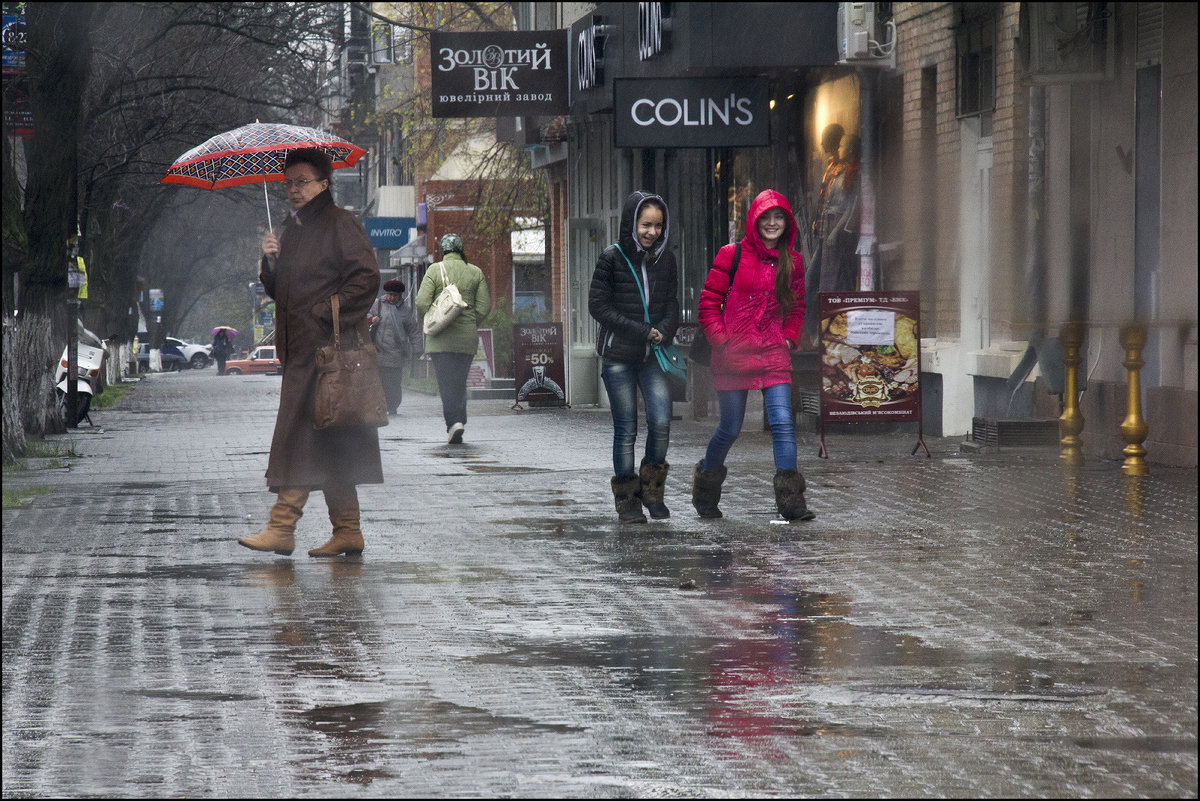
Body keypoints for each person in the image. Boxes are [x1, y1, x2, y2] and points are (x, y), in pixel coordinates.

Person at [237, 147, 383, 558]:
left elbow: (366, 279)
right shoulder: (294, 228)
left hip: (325, 357)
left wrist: (324, 313)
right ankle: (348, 530)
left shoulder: (340, 223)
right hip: (301, 354)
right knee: (332, 444)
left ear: (324, 183)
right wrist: (271, 264)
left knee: (298, 440)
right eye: (288, 184)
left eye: (301, 182)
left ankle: (281, 527)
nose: (293, 191)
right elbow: (284, 292)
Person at [692, 189, 815, 522]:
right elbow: (708, 303)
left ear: (787, 223)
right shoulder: (731, 255)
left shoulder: (794, 261)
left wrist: (789, 339)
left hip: (773, 353)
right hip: (733, 356)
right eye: (766, 218)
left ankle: (791, 503)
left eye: (779, 218)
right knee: (731, 428)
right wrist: (722, 342)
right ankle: (706, 489)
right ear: (755, 221)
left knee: (783, 424)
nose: (772, 223)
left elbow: (798, 307)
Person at [588, 190, 680, 523]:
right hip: (618, 356)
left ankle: (652, 492)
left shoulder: (667, 259)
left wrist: (663, 331)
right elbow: (597, 306)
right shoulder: (611, 258)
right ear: (632, 224)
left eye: (658, 225)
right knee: (626, 428)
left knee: (660, 421)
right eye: (645, 225)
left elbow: (672, 304)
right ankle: (627, 500)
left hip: (653, 356)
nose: (651, 232)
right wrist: (643, 330)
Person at [415, 233, 491, 444]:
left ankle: (454, 423)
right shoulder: (475, 272)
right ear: (461, 250)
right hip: (466, 340)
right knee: (459, 381)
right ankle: (460, 419)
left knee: (446, 383)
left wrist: (437, 315)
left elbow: (421, 303)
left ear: (443, 251)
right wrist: (468, 321)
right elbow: (485, 306)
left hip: (440, 340)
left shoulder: (434, 270)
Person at [369, 279, 421, 414]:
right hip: (378, 351)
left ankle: (392, 406)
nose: (391, 298)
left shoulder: (405, 311)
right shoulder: (377, 305)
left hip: (395, 354)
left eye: (395, 295)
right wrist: (372, 320)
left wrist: (417, 349)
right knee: (379, 381)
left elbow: (413, 330)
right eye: (389, 294)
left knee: (393, 382)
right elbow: (364, 316)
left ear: (400, 296)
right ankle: (380, 405)